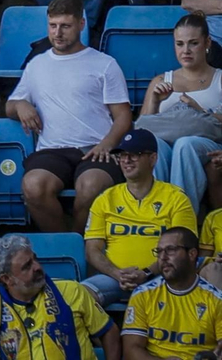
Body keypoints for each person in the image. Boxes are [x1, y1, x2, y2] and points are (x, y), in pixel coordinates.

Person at [8, 0, 133, 233]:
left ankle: (79, 246)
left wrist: (107, 144)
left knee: (91, 187)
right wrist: (21, 105)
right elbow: (11, 104)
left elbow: (124, 116)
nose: (57, 33)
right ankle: (65, 245)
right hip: (52, 150)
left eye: (65, 26)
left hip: (95, 149)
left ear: (81, 24)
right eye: (52, 26)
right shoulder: (36, 65)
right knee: (33, 186)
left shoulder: (104, 63)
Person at [81, 129, 195, 304]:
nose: (126, 160)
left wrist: (146, 273)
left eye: (135, 155)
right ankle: (107, 331)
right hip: (114, 279)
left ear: (153, 159)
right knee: (78, 297)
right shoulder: (105, 199)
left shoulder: (176, 198)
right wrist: (116, 273)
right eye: (123, 155)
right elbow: (92, 250)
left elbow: (182, 250)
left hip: (161, 278)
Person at [0, 235, 121, 360]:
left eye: (34, 259)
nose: (36, 267)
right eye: (27, 266)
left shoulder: (71, 290)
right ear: (7, 279)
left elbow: (109, 331)